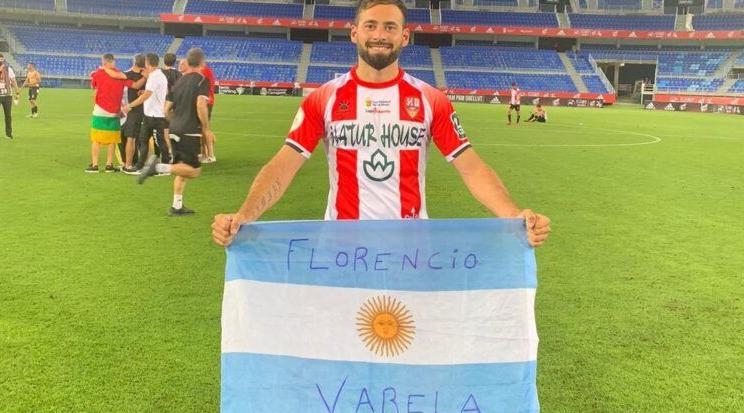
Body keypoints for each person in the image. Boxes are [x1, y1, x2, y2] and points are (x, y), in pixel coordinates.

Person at [211, 0, 551, 248]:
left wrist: (513, 215)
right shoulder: (323, 98)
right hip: (342, 248)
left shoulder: (431, 99)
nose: (380, 35)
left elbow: (471, 168)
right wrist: (245, 214)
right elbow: (284, 165)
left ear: (405, 37)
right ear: (355, 33)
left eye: (390, 27)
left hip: (411, 249)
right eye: (371, 25)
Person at [137, 48, 215, 217]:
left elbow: (166, 109)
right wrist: (206, 129)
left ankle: (177, 206)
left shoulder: (180, 80)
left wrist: (176, 121)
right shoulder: (202, 80)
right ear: (202, 63)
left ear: (187, 62)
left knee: (182, 170)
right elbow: (201, 104)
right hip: (189, 131)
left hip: (173, 128)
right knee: (193, 171)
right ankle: (157, 167)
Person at [86, 53, 143, 173]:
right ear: (114, 61)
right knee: (112, 139)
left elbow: (92, 87)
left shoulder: (98, 73)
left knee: (96, 139)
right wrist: (145, 77)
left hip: (100, 110)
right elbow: (136, 85)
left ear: (104, 62)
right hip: (115, 112)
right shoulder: (121, 75)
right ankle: (109, 165)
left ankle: (95, 165)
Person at [120, 53, 169, 168]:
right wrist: (148, 93)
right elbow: (161, 92)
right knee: (143, 140)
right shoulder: (157, 75)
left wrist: (130, 105)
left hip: (156, 115)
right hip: (150, 114)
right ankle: (141, 165)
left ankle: (166, 165)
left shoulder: (154, 76)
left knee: (159, 141)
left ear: (147, 63)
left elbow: (147, 94)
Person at [161, 52, 183, 160]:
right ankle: (178, 152)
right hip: (178, 106)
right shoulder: (179, 74)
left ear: (164, 60)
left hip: (164, 105)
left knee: (165, 131)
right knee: (176, 130)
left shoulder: (160, 73)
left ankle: (170, 152)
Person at [0, 53, 20, 139]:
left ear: (3, 59)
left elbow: (13, 81)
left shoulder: (9, 69)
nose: (0, 60)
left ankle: (8, 134)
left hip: (7, 96)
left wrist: (17, 92)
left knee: (8, 115)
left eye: (1, 59)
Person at [200, 63, 216, 163]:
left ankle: (210, 155)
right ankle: (205, 154)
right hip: (206, 101)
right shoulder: (206, 70)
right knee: (203, 129)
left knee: (205, 128)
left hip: (206, 102)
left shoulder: (204, 70)